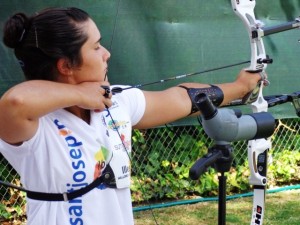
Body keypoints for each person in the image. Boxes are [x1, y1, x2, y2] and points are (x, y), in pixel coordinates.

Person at [0, 7, 261, 225]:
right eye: (96, 47)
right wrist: (80, 95)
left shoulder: (116, 100)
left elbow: (182, 98)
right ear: (66, 65)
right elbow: (15, 100)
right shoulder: (33, 126)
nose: (106, 54)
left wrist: (239, 87)